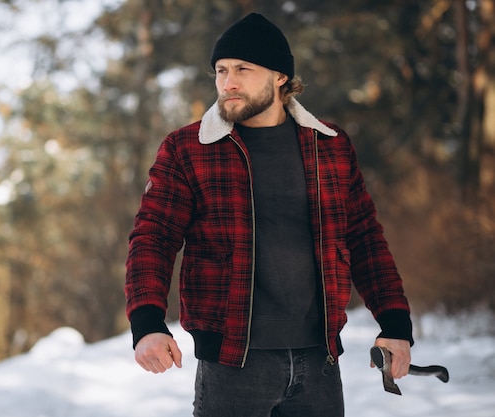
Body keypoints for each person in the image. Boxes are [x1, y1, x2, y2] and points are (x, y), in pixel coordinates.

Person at [125, 12, 413, 417]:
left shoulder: (329, 146)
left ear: (280, 76)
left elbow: (364, 238)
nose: (228, 82)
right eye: (221, 70)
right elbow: (153, 239)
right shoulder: (188, 148)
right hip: (232, 364)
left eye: (243, 69)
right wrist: (147, 323)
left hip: (320, 361)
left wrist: (396, 324)